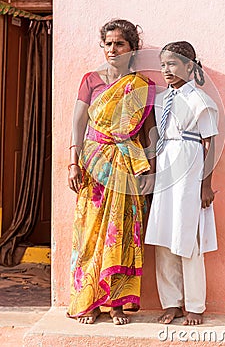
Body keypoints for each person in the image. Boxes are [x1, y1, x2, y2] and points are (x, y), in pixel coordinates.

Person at [67, 19, 156, 325]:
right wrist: (72, 162)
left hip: (127, 165)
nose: (113, 49)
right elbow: (78, 123)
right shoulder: (91, 80)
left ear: (133, 48)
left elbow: (149, 130)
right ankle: (88, 300)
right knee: (90, 231)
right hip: (93, 163)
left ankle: (116, 304)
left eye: (120, 44)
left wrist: (151, 167)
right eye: (108, 43)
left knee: (120, 234)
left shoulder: (141, 86)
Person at [145, 41, 219, 326]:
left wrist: (205, 185)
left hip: (189, 172)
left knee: (188, 238)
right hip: (165, 170)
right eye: (163, 65)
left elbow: (210, 144)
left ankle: (195, 305)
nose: (167, 70)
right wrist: (152, 175)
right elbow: (155, 139)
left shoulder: (201, 101)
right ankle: (171, 302)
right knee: (164, 238)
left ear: (190, 66)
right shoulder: (161, 100)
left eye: (173, 64)